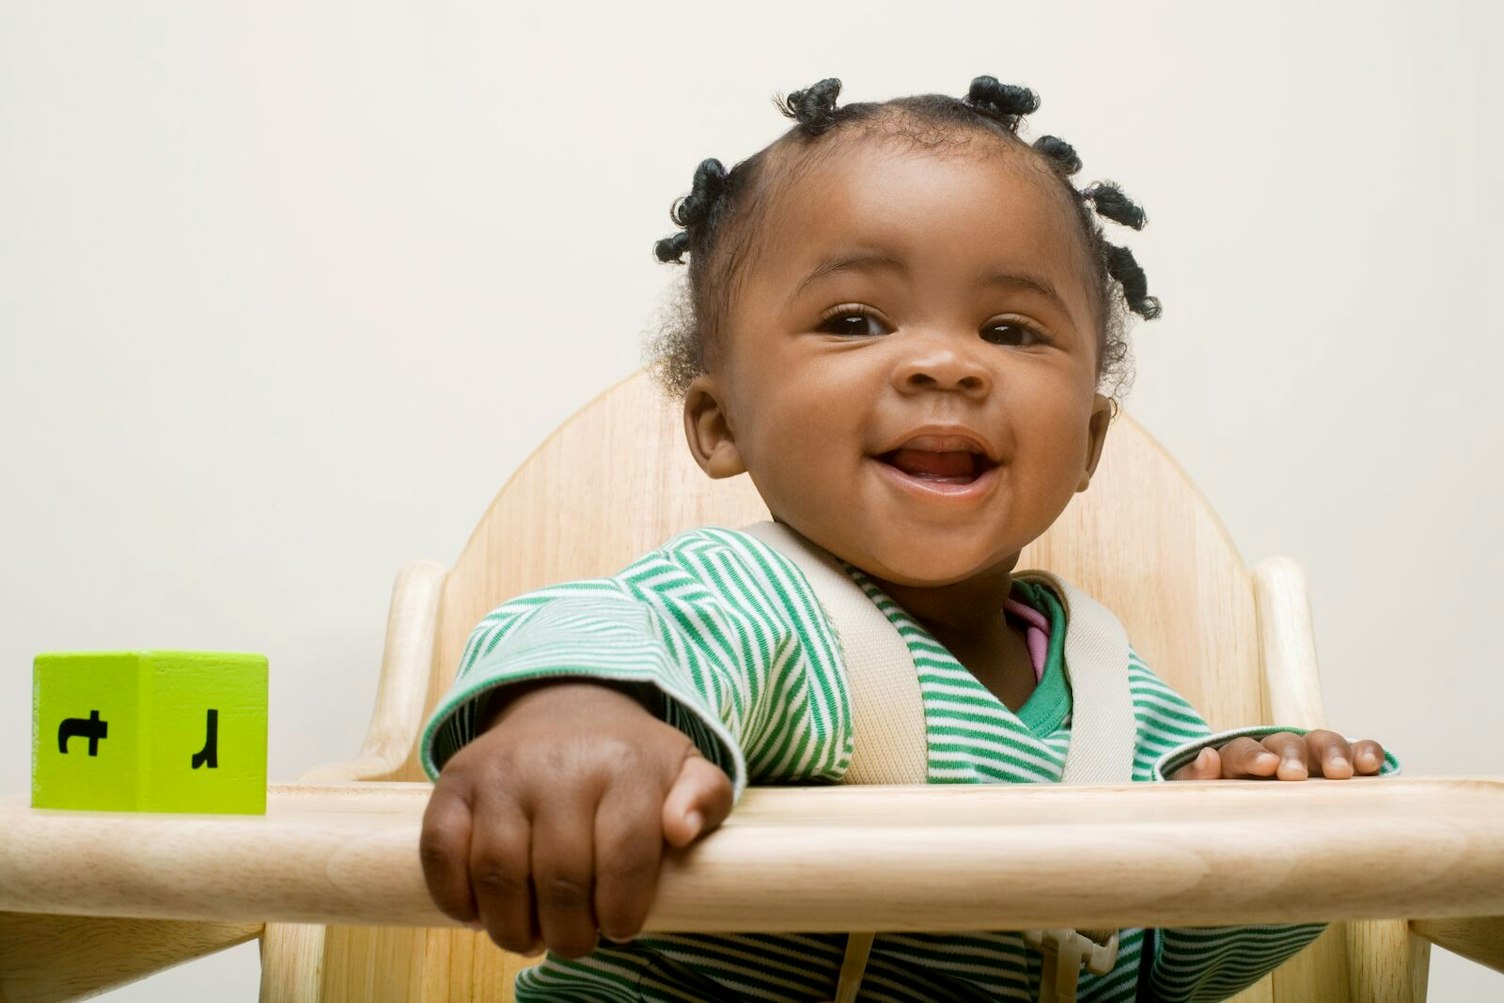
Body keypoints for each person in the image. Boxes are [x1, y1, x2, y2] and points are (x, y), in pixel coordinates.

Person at [417, 76, 1393, 1002]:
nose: (946, 362)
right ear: (721, 425)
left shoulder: (1114, 693)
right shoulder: (757, 603)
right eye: (854, 319)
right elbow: (598, 624)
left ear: (1088, 441)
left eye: (1010, 331)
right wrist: (577, 715)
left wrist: (1274, 823)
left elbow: (1161, 970)